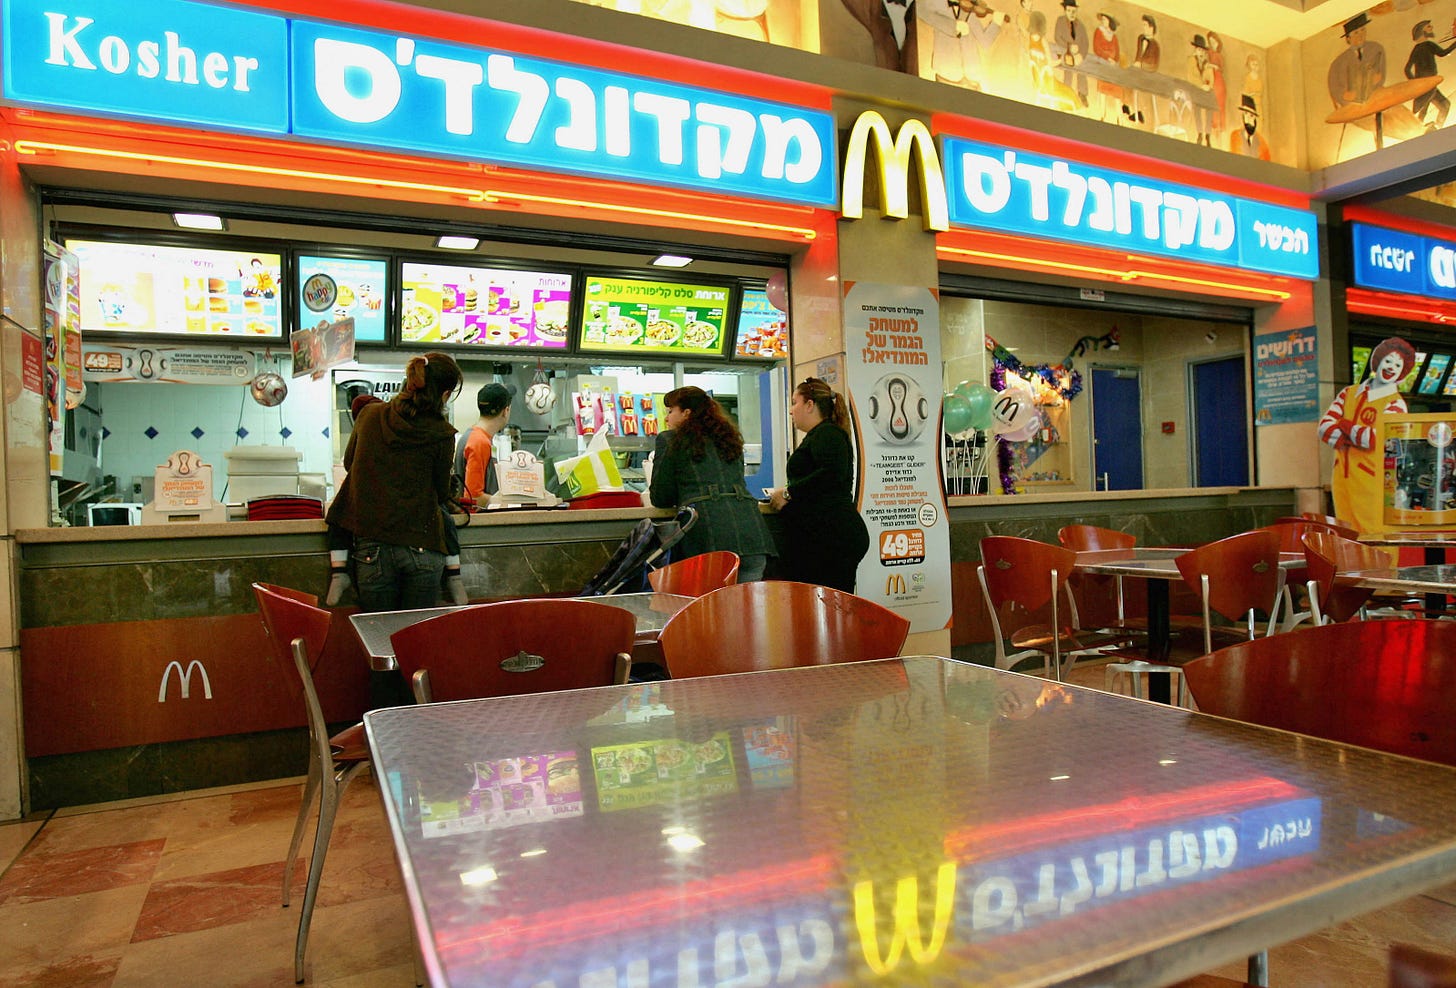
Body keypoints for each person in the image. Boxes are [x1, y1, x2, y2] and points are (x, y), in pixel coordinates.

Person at [326, 351, 462, 616]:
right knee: (414, 643)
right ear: (445, 395)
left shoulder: (369, 415)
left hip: (371, 548)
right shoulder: (443, 434)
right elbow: (441, 493)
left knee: (379, 640)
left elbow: (349, 463)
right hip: (423, 546)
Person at [648, 386, 775, 581]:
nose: (667, 418)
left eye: (670, 411)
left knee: (712, 609)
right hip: (752, 537)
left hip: (708, 538)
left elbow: (660, 497)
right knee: (745, 608)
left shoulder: (670, 439)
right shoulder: (729, 438)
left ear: (686, 413)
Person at [768, 378, 871, 593]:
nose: (790, 410)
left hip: (832, 538)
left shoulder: (828, 434)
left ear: (810, 405)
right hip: (827, 536)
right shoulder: (822, 435)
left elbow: (831, 474)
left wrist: (788, 493)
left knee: (829, 610)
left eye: (795, 402)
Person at [1317, 336, 1415, 534]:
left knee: (1377, 538)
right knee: (1347, 538)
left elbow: (1375, 440)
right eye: (1388, 361)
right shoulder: (1348, 393)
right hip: (1342, 480)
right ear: (1377, 361)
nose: (1391, 367)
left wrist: (1344, 425)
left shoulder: (1396, 404)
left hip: (1374, 484)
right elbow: (1324, 429)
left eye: (1398, 365)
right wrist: (1355, 434)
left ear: (1402, 372)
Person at [456, 382, 513, 508]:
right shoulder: (479, 442)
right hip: (476, 523)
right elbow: (474, 497)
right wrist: (509, 503)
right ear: (506, 411)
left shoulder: (475, 437)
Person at [1328, 12, 1385, 111]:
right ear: (1348, 38)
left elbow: (1380, 75)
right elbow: (1333, 86)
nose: (1361, 35)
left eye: (1363, 30)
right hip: (1352, 108)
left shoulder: (1376, 49)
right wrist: (1343, 95)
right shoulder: (1339, 62)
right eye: (1356, 32)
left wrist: (1376, 80)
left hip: (1376, 102)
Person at [1405, 19, 1455, 129]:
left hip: (1429, 85)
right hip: (1426, 86)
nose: (1431, 28)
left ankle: (1436, 128)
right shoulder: (1426, 46)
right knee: (1425, 111)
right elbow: (1443, 53)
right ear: (1422, 31)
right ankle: (1421, 132)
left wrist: (1417, 84)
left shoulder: (1420, 48)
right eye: (1428, 27)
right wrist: (1417, 84)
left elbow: (1407, 69)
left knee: (1443, 106)